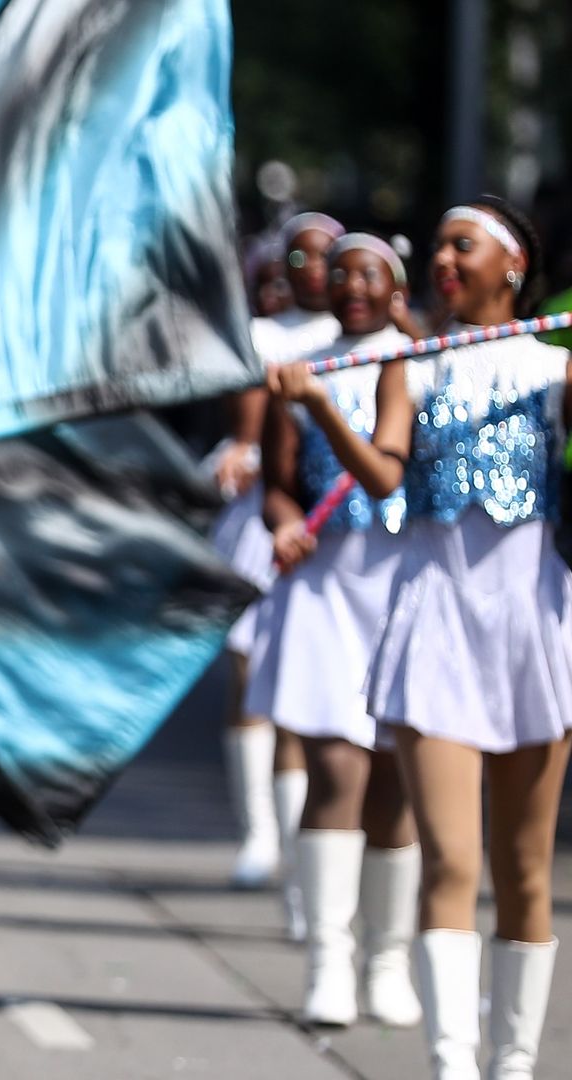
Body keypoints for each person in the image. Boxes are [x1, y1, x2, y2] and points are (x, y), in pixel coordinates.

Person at [272, 197, 569, 1080]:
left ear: (511, 266)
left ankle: (514, 1064)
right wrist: (323, 407)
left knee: (523, 872)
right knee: (452, 860)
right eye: (438, 244)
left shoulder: (554, 372)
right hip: (437, 619)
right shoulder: (414, 365)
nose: (443, 258)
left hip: (532, 625)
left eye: (461, 244)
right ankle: (452, 1063)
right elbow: (383, 474)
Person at [250, 234, 418, 1029]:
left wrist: (322, 402)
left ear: (396, 288)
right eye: (341, 273)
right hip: (324, 592)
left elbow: (387, 473)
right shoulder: (301, 364)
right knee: (336, 772)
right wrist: (284, 525)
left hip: (399, 586)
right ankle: (328, 960)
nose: (352, 285)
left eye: (370, 274)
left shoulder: (415, 361)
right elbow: (277, 488)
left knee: (396, 788)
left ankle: (388, 957)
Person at [211, 212, 345, 928]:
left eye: (329, 257)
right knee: (253, 678)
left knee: (312, 705)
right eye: (300, 257)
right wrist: (244, 451)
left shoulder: (372, 341)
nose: (315, 269)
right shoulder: (264, 338)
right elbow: (254, 426)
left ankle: (306, 872)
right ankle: (260, 833)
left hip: (352, 538)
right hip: (273, 520)